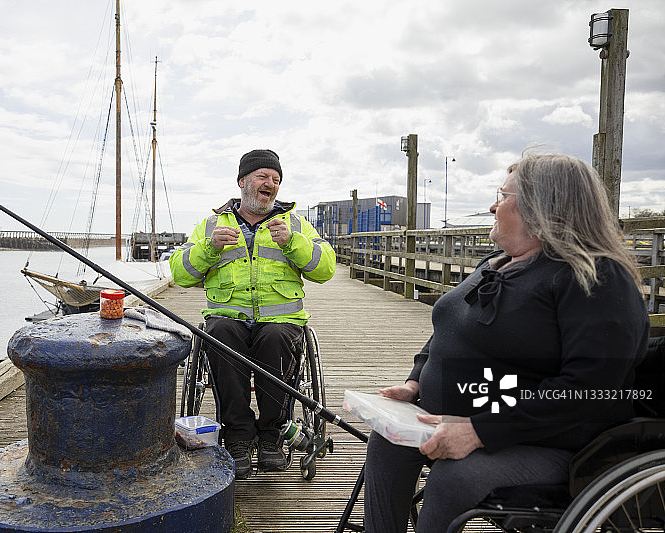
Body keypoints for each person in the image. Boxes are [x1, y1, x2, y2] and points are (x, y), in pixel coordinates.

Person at [363, 152, 649, 533]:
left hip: (554, 445)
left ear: (542, 208)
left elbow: (589, 387)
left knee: (454, 477)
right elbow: (449, 328)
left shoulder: (593, 277)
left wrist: (480, 430)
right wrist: (415, 381)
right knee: (387, 443)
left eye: (503, 195)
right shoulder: (497, 263)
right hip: (467, 419)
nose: (492, 206)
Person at [170, 149, 336, 479]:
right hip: (228, 317)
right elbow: (180, 274)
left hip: (280, 321)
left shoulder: (295, 224)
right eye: (263, 176)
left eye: (276, 179)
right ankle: (238, 437)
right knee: (219, 334)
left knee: (275, 337)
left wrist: (294, 243)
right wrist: (209, 248)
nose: (270, 184)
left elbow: (326, 268)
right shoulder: (212, 225)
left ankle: (272, 436)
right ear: (243, 181)